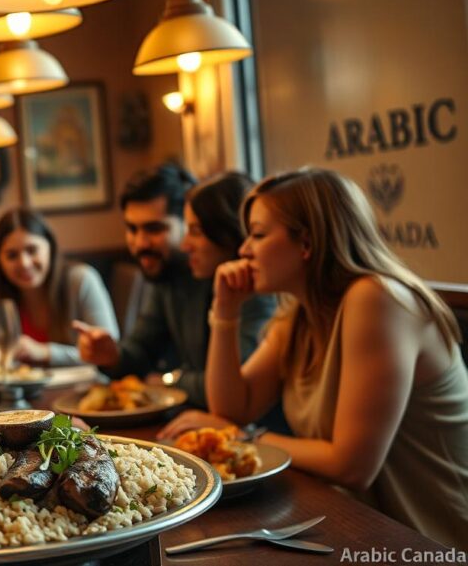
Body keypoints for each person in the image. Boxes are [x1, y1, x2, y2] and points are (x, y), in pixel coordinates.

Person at [167, 167, 468, 548]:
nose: (243, 250)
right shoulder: (299, 316)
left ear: (306, 242)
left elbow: (352, 465)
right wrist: (225, 311)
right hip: (363, 526)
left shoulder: (376, 298)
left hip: (431, 541)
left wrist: (242, 436)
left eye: (258, 235)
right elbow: (231, 407)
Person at [74, 164, 274, 408]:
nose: (139, 243)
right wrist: (111, 356)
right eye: (132, 229)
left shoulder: (254, 286)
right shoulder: (168, 274)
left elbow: (234, 386)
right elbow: (142, 349)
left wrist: (168, 381)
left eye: (154, 228)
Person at [0, 208, 119, 367]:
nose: (24, 263)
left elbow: (110, 353)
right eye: (12, 255)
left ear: (50, 247)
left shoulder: (82, 280)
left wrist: (45, 352)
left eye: (32, 250)